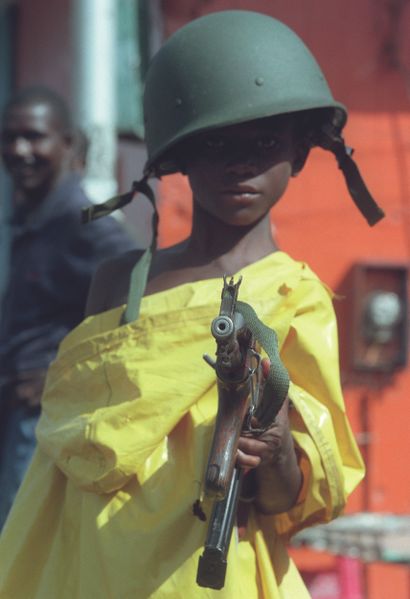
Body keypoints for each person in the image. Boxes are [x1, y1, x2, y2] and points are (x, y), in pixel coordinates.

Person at [0, 12, 384, 598]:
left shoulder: (293, 299)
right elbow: (63, 471)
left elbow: (289, 500)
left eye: (264, 144)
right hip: (92, 573)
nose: (241, 164)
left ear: (301, 153)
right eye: (216, 143)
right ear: (176, 155)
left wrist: (274, 449)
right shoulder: (117, 283)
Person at [0, 85, 136, 530]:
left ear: (68, 144)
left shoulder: (84, 225)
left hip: (45, 420)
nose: (20, 150)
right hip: (21, 414)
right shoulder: (34, 218)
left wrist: (63, 373)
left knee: (22, 544)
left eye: (34, 136)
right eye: (9, 137)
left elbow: (142, 299)